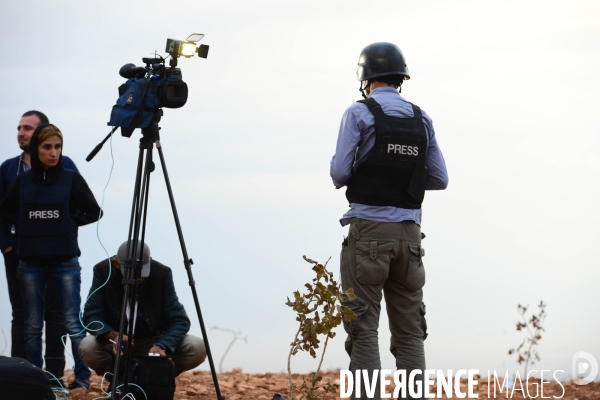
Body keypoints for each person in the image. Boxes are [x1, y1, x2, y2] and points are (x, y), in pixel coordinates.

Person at [330, 42, 449, 400]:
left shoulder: (358, 113)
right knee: (410, 332)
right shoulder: (421, 117)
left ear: (365, 79)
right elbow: (439, 178)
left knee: (364, 328)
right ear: (401, 78)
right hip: (411, 238)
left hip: (368, 234)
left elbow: (338, 174)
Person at [0, 123, 102, 395]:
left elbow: (94, 211)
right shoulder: (22, 181)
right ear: (36, 148)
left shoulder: (70, 178)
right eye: (47, 147)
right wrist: (23, 229)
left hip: (65, 262)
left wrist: (69, 222)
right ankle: (35, 381)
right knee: (33, 325)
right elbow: (6, 211)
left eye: (58, 147)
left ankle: (81, 379)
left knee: (72, 322)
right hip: (31, 263)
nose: (53, 152)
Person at [79, 241, 206, 382]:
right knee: (87, 346)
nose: (137, 279)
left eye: (142, 274)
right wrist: (114, 335)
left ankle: (152, 379)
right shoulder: (103, 271)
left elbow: (179, 319)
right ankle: (119, 381)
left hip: (152, 341)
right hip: (115, 344)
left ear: (150, 262)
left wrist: (162, 345)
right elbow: (92, 315)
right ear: (116, 264)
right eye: (130, 273)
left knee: (198, 348)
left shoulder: (162, 274)